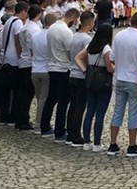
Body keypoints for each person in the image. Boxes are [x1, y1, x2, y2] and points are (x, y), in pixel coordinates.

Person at [108, 11, 137, 157]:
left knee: (118, 110)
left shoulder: (119, 35)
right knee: (133, 112)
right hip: (134, 79)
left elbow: (112, 57)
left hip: (120, 77)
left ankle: (113, 143)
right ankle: (132, 145)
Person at [76, 23, 114, 152]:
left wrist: (85, 71)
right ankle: (97, 143)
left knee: (89, 111)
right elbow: (109, 68)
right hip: (103, 82)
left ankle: (87, 141)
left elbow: (77, 58)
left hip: (91, 80)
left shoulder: (90, 46)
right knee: (100, 114)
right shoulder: (106, 49)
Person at [42, 8, 76, 143]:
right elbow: (70, 52)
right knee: (63, 101)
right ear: (72, 17)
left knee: (51, 98)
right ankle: (60, 130)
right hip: (63, 67)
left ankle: (45, 126)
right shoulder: (66, 32)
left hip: (52, 66)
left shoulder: (52, 28)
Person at [66, 11, 96, 146]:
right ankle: (76, 135)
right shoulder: (87, 39)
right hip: (81, 74)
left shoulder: (74, 36)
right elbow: (87, 57)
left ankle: (70, 132)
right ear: (89, 22)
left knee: (72, 105)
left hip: (72, 72)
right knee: (79, 107)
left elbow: (69, 54)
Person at [0, 1, 28, 126]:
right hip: (14, 60)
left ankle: (4, 116)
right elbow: (17, 41)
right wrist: (21, 55)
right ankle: (13, 116)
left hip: (5, 58)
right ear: (23, 11)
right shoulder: (18, 23)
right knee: (16, 90)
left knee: (5, 91)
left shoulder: (9, 20)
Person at [14, 3, 41, 130]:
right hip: (30, 62)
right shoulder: (34, 29)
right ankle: (23, 119)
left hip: (23, 60)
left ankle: (19, 117)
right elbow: (33, 48)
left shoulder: (24, 27)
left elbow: (19, 43)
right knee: (28, 93)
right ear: (39, 15)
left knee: (22, 92)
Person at [31, 11, 53, 128]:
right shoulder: (50, 36)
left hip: (35, 69)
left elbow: (31, 52)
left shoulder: (35, 35)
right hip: (45, 69)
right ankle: (39, 123)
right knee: (43, 99)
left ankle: (40, 121)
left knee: (39, 97)